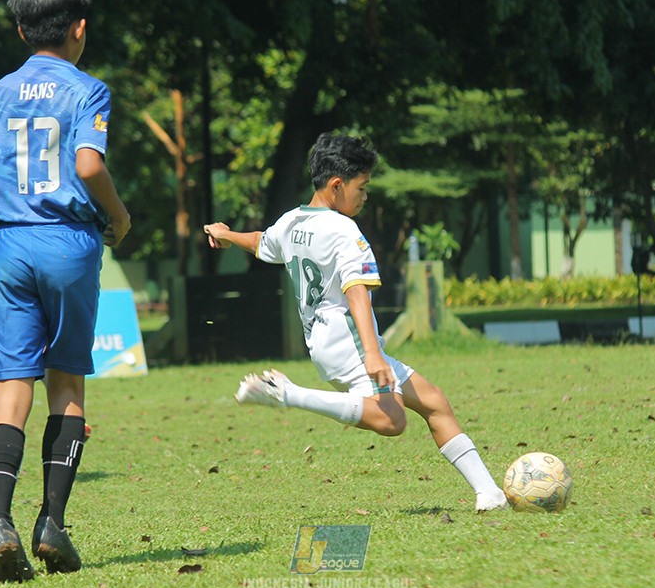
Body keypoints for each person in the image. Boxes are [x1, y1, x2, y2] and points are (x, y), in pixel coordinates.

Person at [203, 133, 508, 513]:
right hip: (350, 343)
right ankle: (288, 394)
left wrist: (226, 234)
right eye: (361, 187)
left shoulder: (293, 221)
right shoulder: (344, 231)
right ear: (336, 186)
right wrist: (373, 353)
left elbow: (262, 241)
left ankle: (490, 493)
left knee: (434, 402)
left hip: (323, 343)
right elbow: (356, 291)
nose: (365, 196)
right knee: (392, 420)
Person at [0, 0, 130, 583]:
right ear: (79, 28)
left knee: (10, 389)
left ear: (21, 30)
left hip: (7, 248)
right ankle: (51, 525)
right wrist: (120, 215)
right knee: (66, 385)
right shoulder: (88, 89)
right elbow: (88, 166)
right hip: (68, 244)